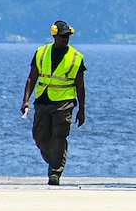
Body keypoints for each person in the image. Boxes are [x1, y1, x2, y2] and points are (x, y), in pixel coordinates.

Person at [20, 20, 87, 185]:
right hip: (43, 100)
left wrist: (82, 109)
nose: (65, 39)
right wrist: (25, 100)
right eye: (63, 36)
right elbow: (32, 77)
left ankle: (55, 172)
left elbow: (80, 85)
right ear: (54, 35)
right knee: (40, 136)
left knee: (59, 135)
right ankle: (54, 158)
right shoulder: (41, 53)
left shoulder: (76, 57)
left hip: (65, 103)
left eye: (68, 36)